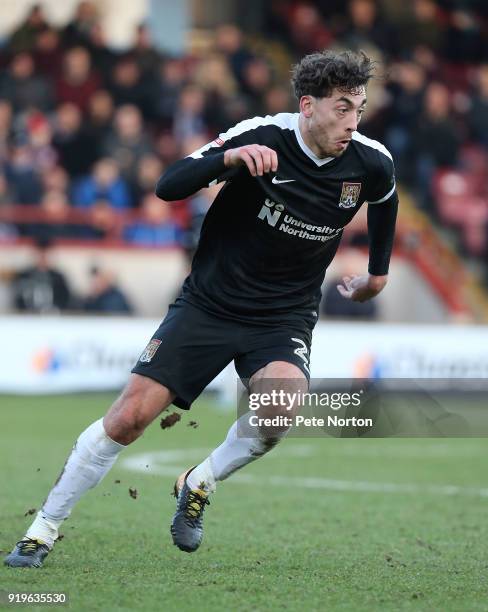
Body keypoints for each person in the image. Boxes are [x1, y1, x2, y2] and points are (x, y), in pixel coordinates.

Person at [5, 50, 398, 567]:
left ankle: (199, 481)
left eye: (360, 109)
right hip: (209, 305)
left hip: (283, 315)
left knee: (279, 410)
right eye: (342, 108)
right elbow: (167, 186)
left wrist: (378, 273)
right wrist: (227, 162)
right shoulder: (262, 135)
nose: (353, 122)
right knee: (127, 419)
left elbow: (386, 199)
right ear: (308, 105)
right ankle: (42, 530)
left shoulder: (370, 161)